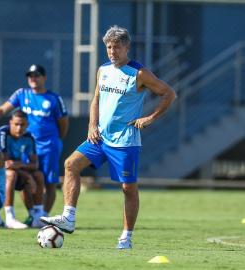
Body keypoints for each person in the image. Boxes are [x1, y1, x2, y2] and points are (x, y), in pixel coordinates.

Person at [41, 25, 176, 249]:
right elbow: (96, 99)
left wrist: (150, 118)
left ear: (127, 47)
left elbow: (169, 93)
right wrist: (92, 124)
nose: (112, 52)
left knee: (127, 188)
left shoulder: (139, 73)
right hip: (100, 137)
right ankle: (69, 217)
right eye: (109, 47)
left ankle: (126, 237)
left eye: (116, 47)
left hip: (125, 141)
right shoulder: (103, 69)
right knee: (70, 164)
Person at [0, 64, 69, 217]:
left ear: (44, 78)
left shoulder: (54, 98)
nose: (33, 78)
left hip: (48, 146)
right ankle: (32, 215)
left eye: (37, 75)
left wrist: (54, 140)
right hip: (26, 146)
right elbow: (2, 110)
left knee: (49, 183)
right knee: (25, 179)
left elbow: (63, 124)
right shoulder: (22, 94)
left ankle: (43, 216)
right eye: (30, 76)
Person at [0, 110, 45, 229]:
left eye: (22, 125)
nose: (19, 128)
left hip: (15, 169)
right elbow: (5, 164)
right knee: (11, 174)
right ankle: (10, 217)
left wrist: (24, 170)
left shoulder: (29, 137)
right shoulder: (2, 134)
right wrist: (27, 175)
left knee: (39, 175)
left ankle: (36, 216)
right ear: (10, 123)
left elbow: (34, 164)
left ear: (27, 125)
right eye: (16, 124)